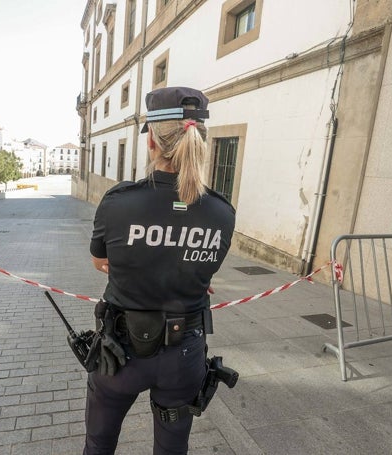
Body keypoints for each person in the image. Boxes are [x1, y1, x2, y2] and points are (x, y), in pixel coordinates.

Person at [84, 86, 237, 455]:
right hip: (184, 356)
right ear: (200, 139)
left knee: (99, 443)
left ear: (151, 139)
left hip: (119, 353)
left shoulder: (120, 202)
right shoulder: (221, 211)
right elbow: (203, 272)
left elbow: (100, 261)